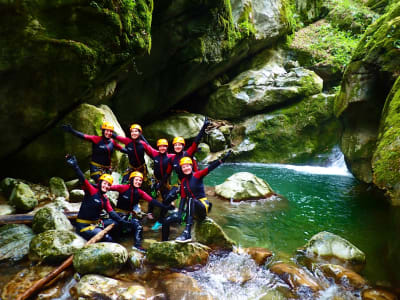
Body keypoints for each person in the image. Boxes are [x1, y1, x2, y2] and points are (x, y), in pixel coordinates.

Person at [162, 151, 232, 243]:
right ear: (181, 169)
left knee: (191, 199)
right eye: (184, 167)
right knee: (167, 220)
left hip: (202, 207)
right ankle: (164, 242)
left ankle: (187, 233)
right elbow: (183, 199)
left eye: (188, 166)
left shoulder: (197, 175)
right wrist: (179, 214)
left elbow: (210, 168)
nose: (186, 168)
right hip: (190, 210)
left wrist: (222, 160)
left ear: (191, 166)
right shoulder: (183, 181)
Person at [65, 154, 133, 243]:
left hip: (97, 224)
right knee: (108, 238)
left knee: (117, 223)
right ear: (100, 183)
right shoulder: (91, 190)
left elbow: (111, 213)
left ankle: (122, 241)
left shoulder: (105, 198)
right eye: (104, 183)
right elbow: (82, 178)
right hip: (84, 226)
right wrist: (75, 166)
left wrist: (123, 222)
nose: (106, 186)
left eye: (108, 185)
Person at [109, 171, 174, 250]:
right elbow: (108, 187)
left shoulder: (140, 192)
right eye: (136, 180)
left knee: (139, 226)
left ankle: (137, 246)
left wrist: (165, 206)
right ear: (132, 180)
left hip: (129, 215)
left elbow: (152, 201)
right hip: (118, 213)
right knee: (116, 226)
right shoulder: (123, 188)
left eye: (140, 180)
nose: (138, 182)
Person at [169, 117, 210, 182]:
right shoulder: (172, 158)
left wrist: (204, 127)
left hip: (193, 182)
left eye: (179, 145)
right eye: (175, 145)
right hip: (182, 183)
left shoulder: (187, 154)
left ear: (183, 146)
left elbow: (196, 142)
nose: (177, 147)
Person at [145, 138, 174, 220]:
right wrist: (140, 135)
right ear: (158, 147)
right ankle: (150, 212)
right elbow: (147, 145)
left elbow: (181, 155)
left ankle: (164, 214)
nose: (162, 148)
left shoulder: (170, 157)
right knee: (153, 195)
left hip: (165, 181)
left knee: (166, 197)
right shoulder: (155, 154)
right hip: (156, 179)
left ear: (167, 147)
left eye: (164, 146)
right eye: (160, 146)